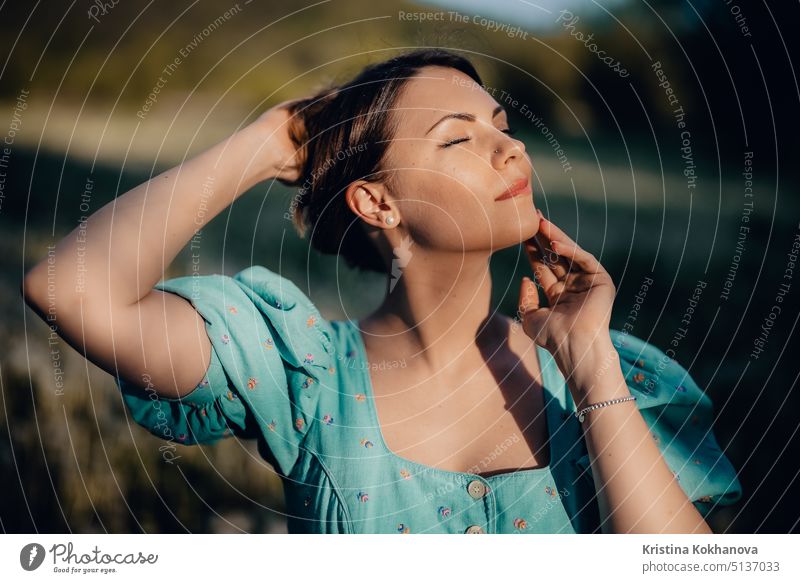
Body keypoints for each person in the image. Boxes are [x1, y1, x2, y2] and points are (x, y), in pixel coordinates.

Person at [22, 48, 741, 534]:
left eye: (502, 127)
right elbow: (70, 288)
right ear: (377, 204)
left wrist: (590, 366)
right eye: (457, 140)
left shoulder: (611, 370)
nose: (511, 148)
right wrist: (275, 137)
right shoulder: (301, 371)